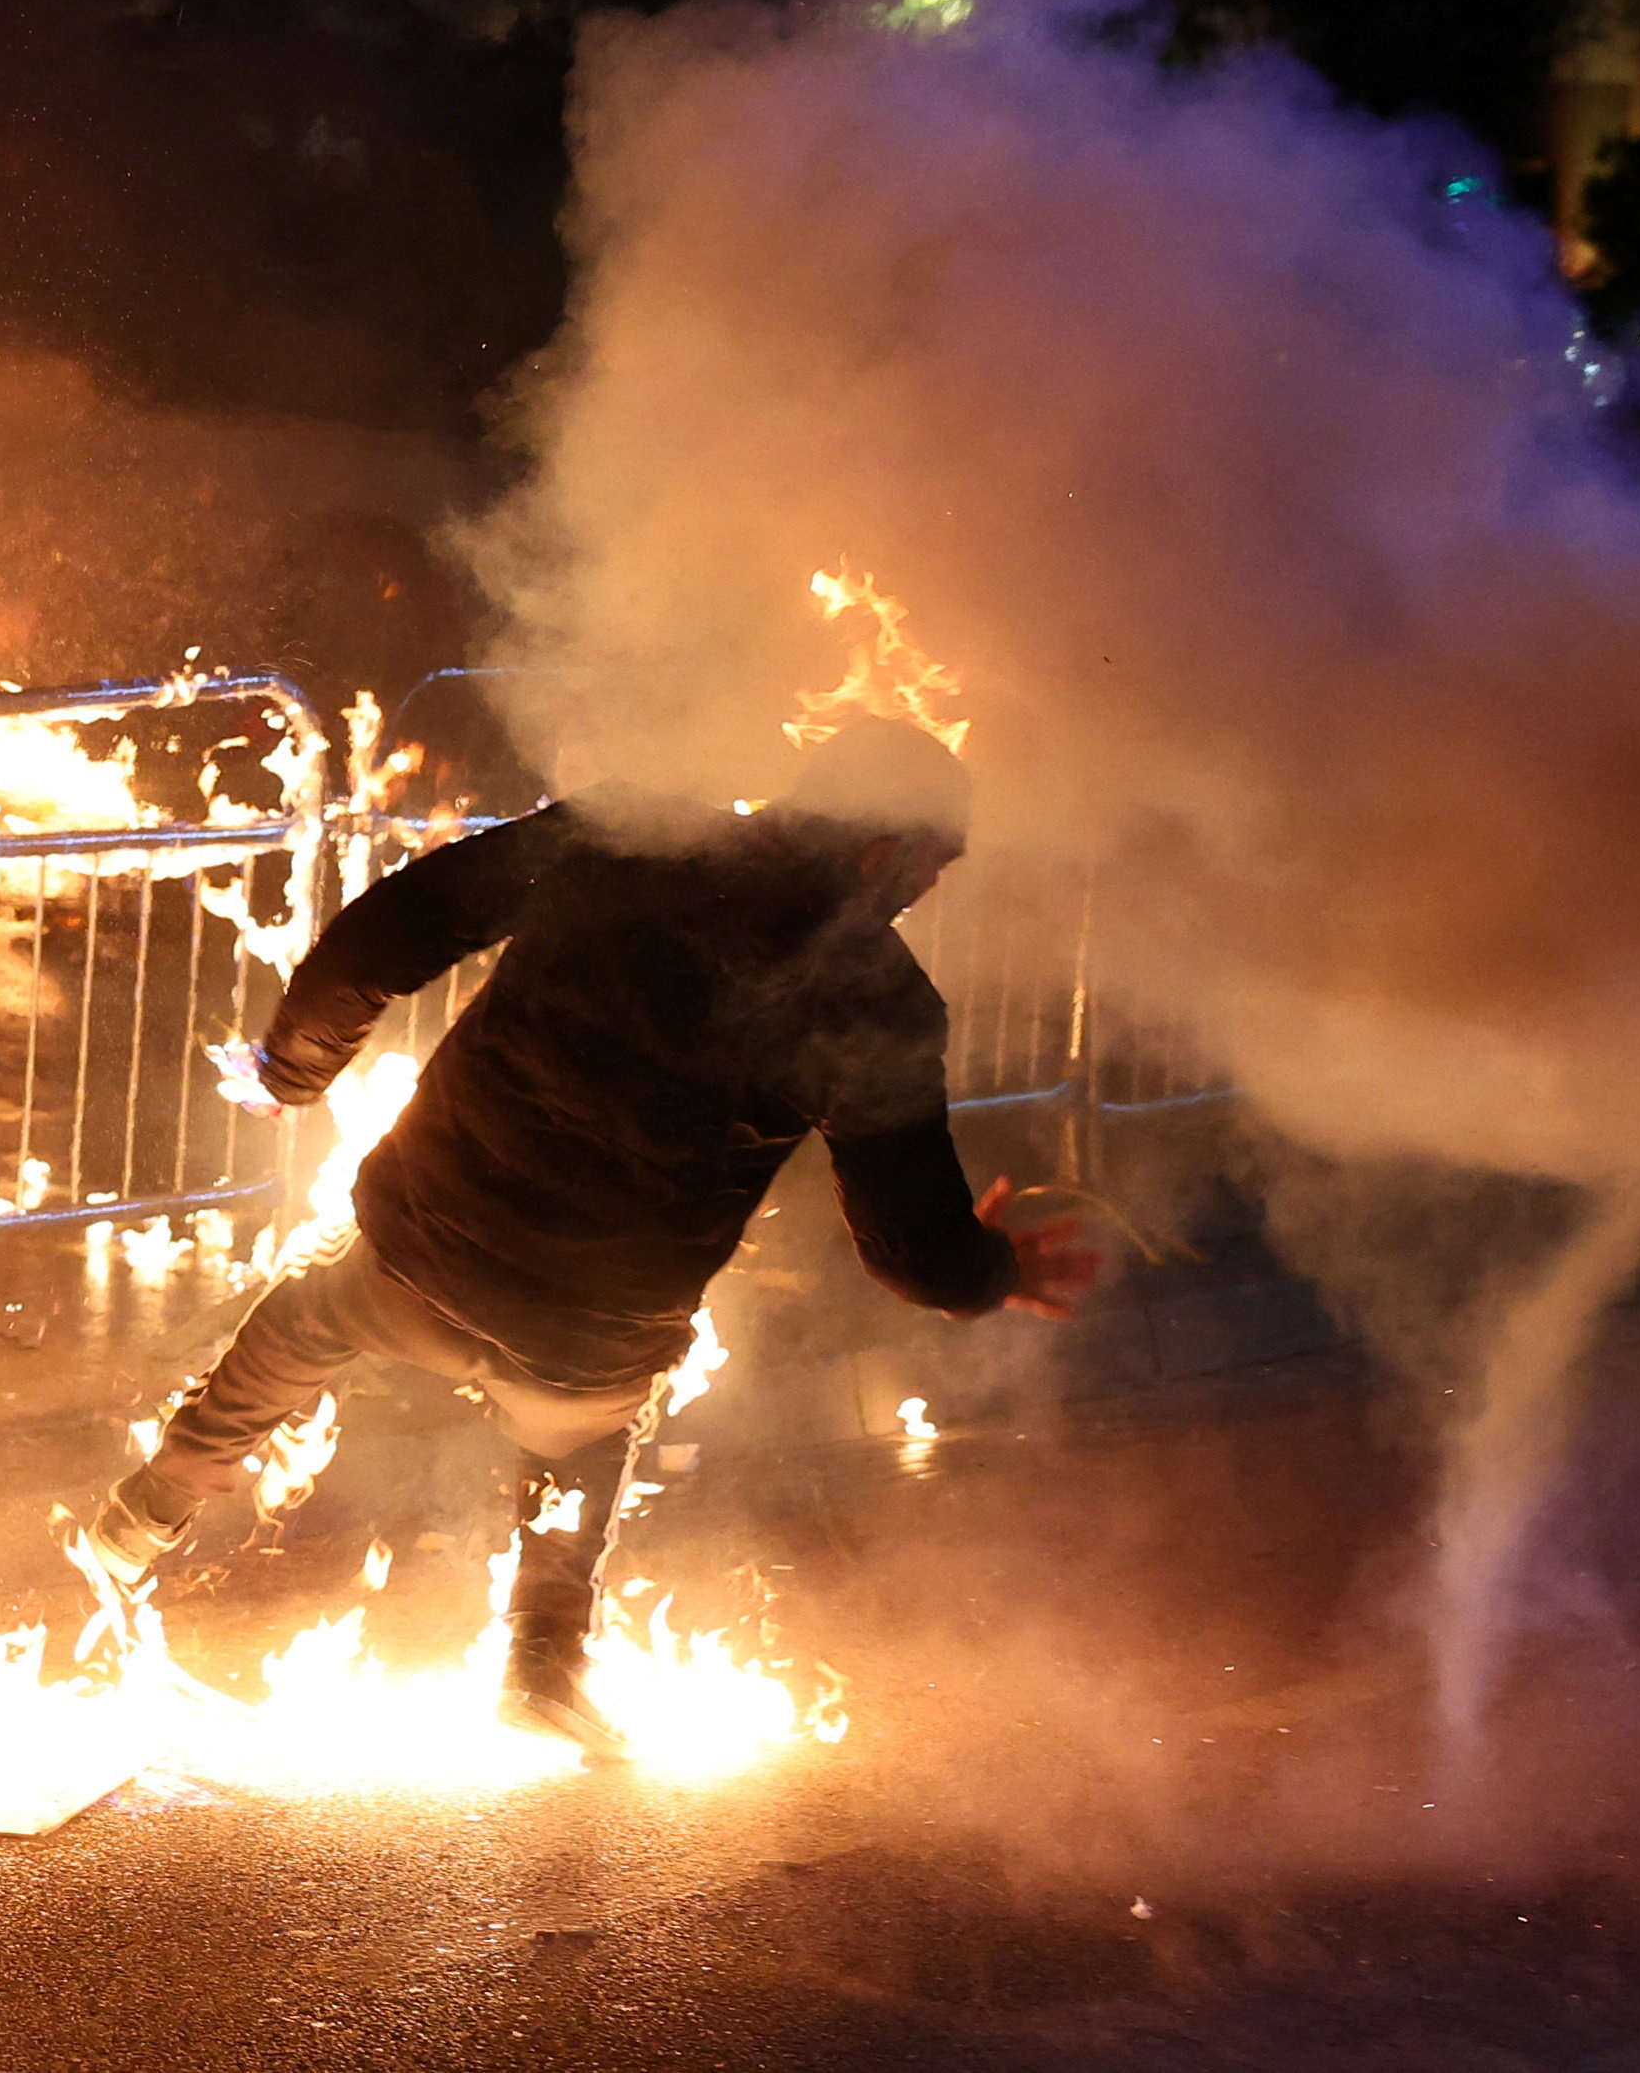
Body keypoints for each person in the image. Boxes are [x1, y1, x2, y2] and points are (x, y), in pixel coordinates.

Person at [77, 713, 1102, 1753]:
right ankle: (540, 1662)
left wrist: (296, 1066)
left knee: (306, 1315)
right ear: (878, 850)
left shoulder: (628, 831)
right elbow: (912, 1248)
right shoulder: (880, 1004)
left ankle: (144, 1511)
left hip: (421, 1241)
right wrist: (988, 1268)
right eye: (930, 865)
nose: (926, 891)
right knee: (578, 1444)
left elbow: (394, 928)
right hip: (589, 1336)